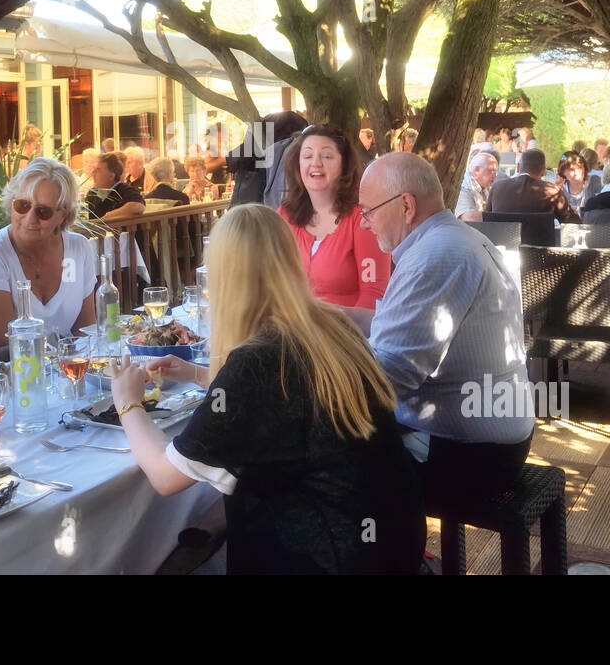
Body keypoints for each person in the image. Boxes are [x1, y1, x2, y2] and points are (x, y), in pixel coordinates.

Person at [107, 204, 426, 574]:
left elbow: (164, 476)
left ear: (224, 277)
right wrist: (197, 374)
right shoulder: (329, 323)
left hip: (324, 557)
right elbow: (290, 399)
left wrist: (128, 404)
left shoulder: (256, 361)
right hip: (393, 545)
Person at [354, 152, 535, 507]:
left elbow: (386, 379)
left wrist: (304, 376)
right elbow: (387, 326)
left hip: (471, 455)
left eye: (368, 211)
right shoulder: (452, 239)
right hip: (491, 440)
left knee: (311, 458)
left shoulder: (437, 255)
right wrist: (317, 316)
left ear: (406, 205)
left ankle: (393, 558)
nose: (364, 223)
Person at [0, 158, 97, 368]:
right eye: (22, 205)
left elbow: (85, 331)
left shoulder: (77, 250)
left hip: (57, 376)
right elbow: (7, 346)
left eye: (43, 211)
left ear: (63, 215)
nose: (30, 218)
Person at [278, 125, 391, 308]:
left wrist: (333, 331)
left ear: (344, 165)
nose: (316, 163)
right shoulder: (284, 215)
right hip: (291, 331)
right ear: (298, 165)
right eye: (307, 156)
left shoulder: (363, 219)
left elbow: (374, 295)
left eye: (327, 156)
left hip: (347, 332)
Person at [487, 148, 579, 223]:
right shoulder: (552, 192)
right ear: (543, 171)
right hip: (540, 244)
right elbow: (573, 223)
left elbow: (486, 219)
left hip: (502, 243)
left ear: (518, 167)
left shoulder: (497, 188)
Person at [84, 152, 146, 220]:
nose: (93, 172)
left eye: (98, 170)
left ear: (111, 176)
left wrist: (108, 217)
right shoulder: (93, 192)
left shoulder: (125, 190)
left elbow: (138, 206)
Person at [454, 150, 499, 221]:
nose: (494, 175)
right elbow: (468, 217)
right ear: (477, 170)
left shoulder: (486, 187)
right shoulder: (464, 187)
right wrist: (499, 217)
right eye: (491, 171)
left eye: (496, 172)